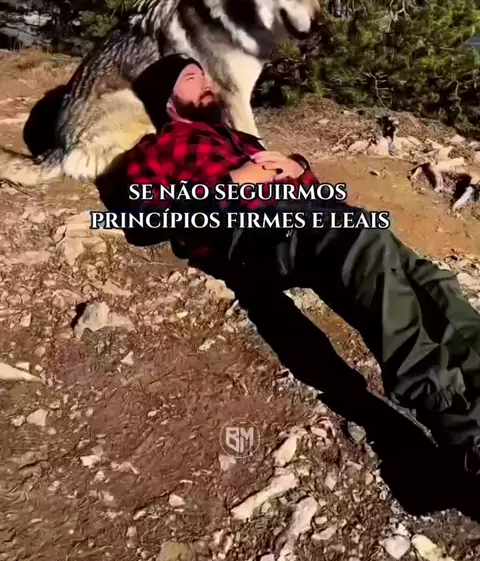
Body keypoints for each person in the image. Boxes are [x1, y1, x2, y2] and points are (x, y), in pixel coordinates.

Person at [104, 53, 480, 488]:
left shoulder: (241, 139)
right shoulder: (159, 150)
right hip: (249, 233)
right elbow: (144, 221)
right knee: (364, 244)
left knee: (430, 280)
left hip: (314, 216)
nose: (207, 81)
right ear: (167, 100)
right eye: (192, 77)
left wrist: (297, 169)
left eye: (205, 74)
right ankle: (461, 428)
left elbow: (314, 192)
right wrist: (232, 183)